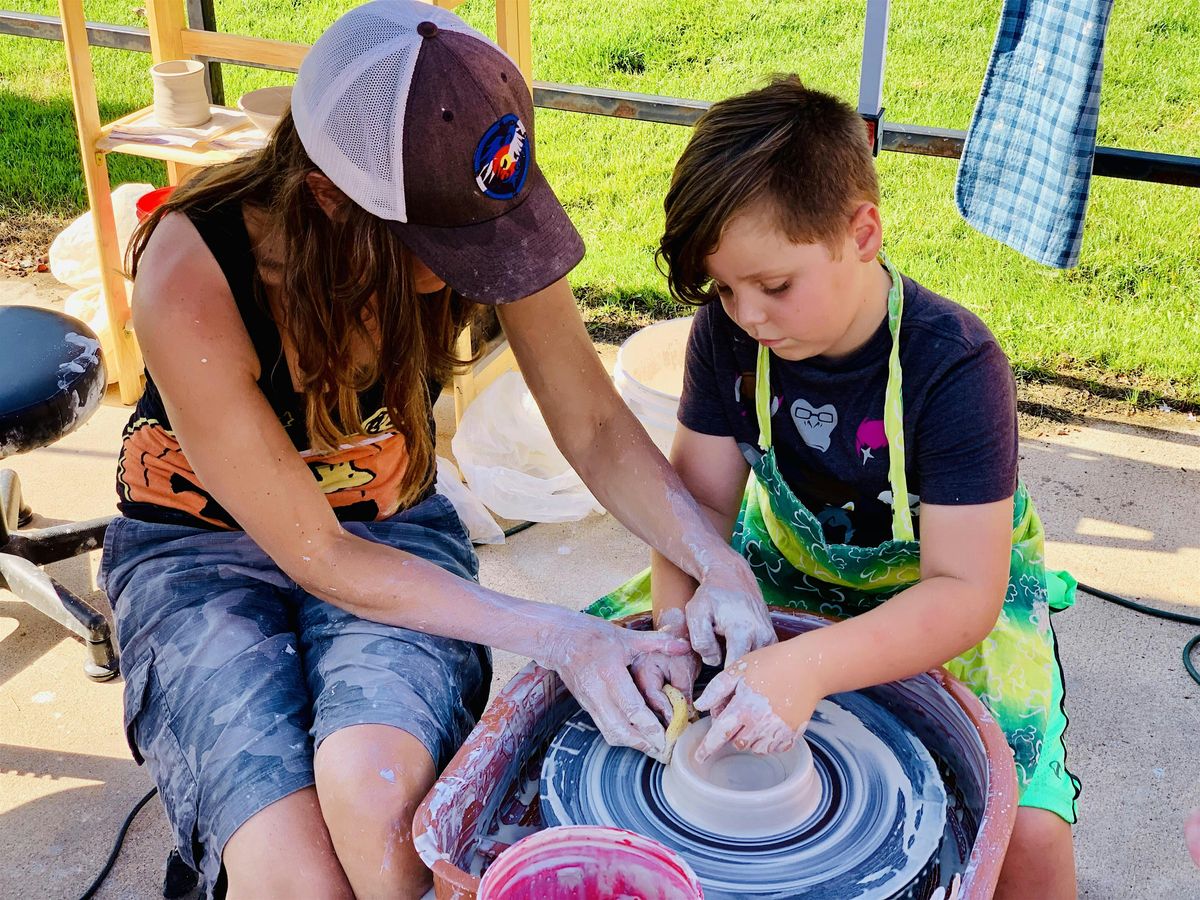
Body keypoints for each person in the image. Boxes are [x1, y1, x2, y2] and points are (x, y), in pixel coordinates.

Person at [102, 3, 772, 897]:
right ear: (331, 200)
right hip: (200, 552)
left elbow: (596, 425)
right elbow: (317, 554)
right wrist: (563, 636)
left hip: (387, 523)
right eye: (445, 244)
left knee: (377, 801)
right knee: (296, 877)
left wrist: (713, 558)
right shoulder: (192, 274)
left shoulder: (477, 195)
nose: (481, 263)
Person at [602, 76, 1080, 898]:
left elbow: (964, 590)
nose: (746, 313)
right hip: (779, 570)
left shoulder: (956, 366)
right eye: (724, 289)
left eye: (774, 286)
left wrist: (807, 668)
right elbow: (697, 511)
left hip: (944, 595)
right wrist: (679, 627)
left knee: (1025, 827)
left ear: (862, 233)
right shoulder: (727, 338)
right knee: (610, 692)